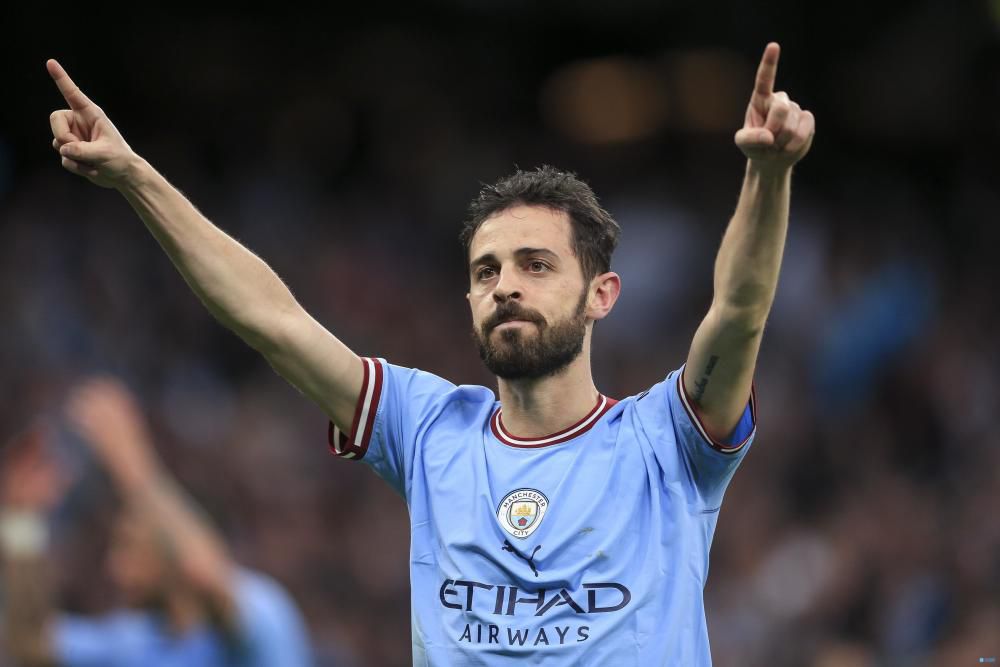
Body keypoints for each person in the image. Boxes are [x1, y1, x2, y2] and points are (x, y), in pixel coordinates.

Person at [44, 41, 813, 665]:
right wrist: (136, 177)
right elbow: (272, 320)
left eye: (536, 264)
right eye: (487, 271)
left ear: (602, 293)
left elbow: (739, 310)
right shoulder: (427, 426)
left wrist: (767, 174)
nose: (505, 285)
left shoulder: (665, 442)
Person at [0, 378, 314, 666]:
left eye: (130, 546)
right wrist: (21, 521)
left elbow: (204, 574)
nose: (114, 566)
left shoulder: (265, 611)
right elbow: (30, 643)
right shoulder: (137, 640)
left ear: (172, 549)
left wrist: (135, 467)